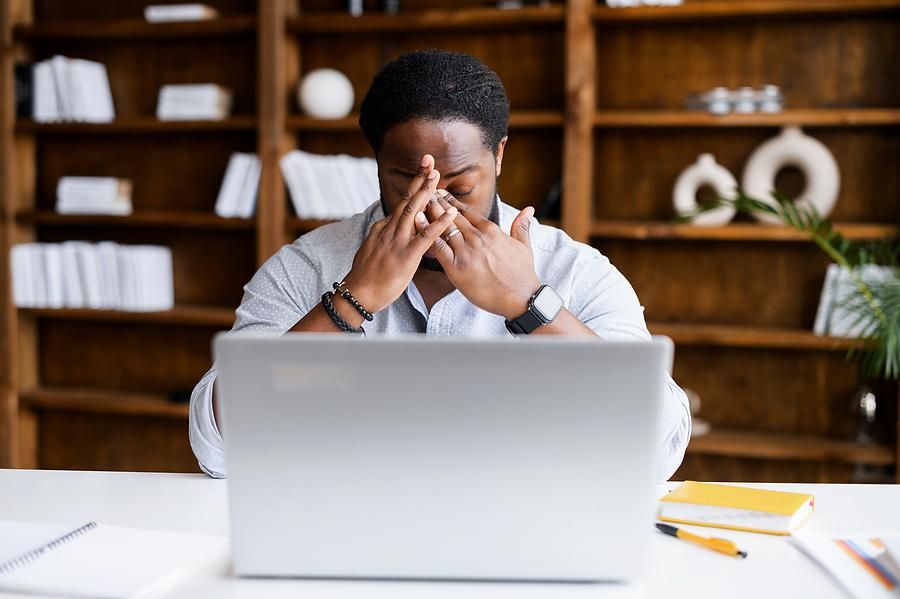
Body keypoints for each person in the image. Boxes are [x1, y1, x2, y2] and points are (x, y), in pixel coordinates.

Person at [189, 49, 690, 479]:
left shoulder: (575, 270)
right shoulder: (305, 267)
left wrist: (531, 305)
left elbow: (657, 449)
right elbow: (218, 445)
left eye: (459, 186)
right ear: (377, 164)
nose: (433, 207)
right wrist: (352, 300)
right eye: (407, 181)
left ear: (499, 156)